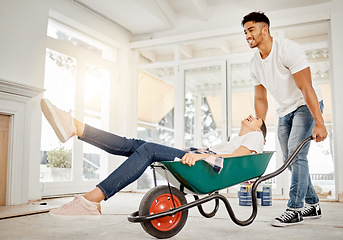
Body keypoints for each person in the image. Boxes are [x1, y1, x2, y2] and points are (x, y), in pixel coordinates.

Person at [40, 98, 266, 218]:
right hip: (202, 162)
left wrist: (199, 157)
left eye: (256, 119)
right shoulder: (236, 138)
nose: (251, 117)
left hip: (204, 166)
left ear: (260, 129)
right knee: (139, 145)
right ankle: (77, 128)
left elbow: (236, 159)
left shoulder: (256, 137)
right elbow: (231, 152)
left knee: (146, 150)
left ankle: (90, 201)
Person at [241, 12, 328, 227]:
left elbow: (306, 87)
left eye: (251, 30)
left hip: (304, 105)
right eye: (245, 32)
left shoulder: (288, 50)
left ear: (265, 29)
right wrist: (258, 129)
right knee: (290, 159)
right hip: (284, 111)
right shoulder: (255, 63)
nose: (247, 35)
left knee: (297, 156)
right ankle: (313, 204)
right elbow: (260, 97)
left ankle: (295, 209)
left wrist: (319, 121)